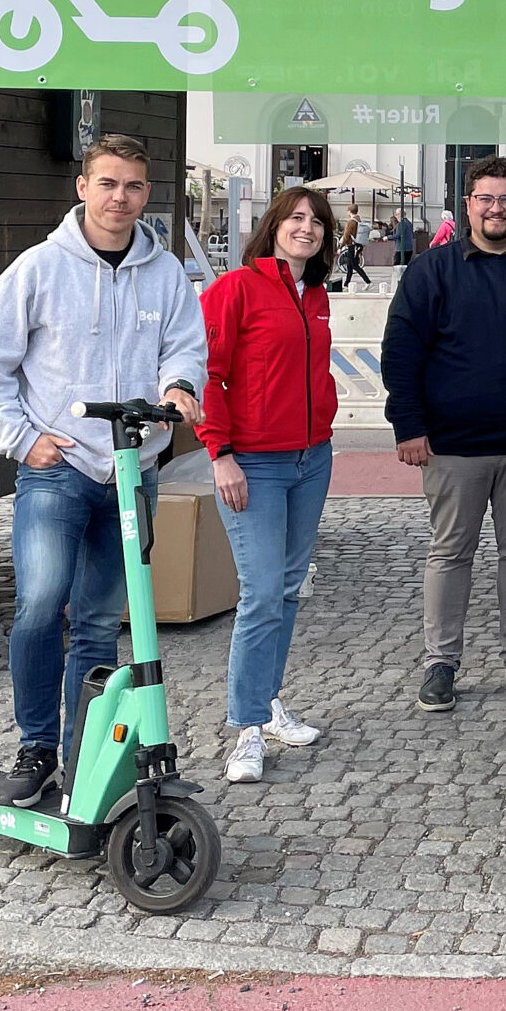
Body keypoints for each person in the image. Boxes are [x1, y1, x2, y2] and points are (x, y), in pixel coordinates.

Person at [0, 134, 205, 808]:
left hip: (133, 470)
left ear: (146, 193)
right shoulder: (37, 269)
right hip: (59, 469)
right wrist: (21, 438)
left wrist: (181, 386)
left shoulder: (166, 275)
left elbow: (185, 349)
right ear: (83, 187)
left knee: (99, 625)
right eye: (107, 183)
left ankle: (79, 760)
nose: (119, 197)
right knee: (41, 606)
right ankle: (35, 745)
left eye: (132, 186)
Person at [383, 155, 506, 716]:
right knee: (449, 552)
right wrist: (408, 425)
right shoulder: (432, 270)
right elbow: (402, 352)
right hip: (452, 445)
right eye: (485, 198)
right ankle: (440, 662)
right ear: (468, 204)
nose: (496, 208)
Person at [199, 184, 338, 785]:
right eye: (296, 218)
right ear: (273, 225)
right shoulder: (235, 289)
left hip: (312, 459)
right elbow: (206, 373)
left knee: (286, 589)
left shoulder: (315, 296)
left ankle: (270, 701)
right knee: (259, 594)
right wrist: (220, 453)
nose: (306, 227)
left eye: (317, 222)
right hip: (253, 462)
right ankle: (248, 729)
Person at [337, 208, 371, 292]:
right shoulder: (358, 221)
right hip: (357, 245)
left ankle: (368, 282)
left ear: (350, 211)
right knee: (349, 266)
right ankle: (346, 285)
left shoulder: (350, 222)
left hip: (351, 246)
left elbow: (346, 236)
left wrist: (340, 247)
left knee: (354, 265)